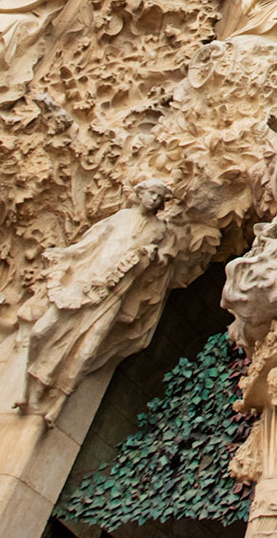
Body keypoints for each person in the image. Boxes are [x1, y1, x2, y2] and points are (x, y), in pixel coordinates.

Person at [18, 181, 177, 426]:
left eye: (159, 197)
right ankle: (29, 389)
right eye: (151, 194)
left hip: (112, 296)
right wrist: (64, 255)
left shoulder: (158, 230)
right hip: (82, 284)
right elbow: (90, 243)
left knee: (86, 351)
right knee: (42, 331)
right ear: (141, 194)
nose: (154, 200)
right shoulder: (121, 217)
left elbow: (147, 266)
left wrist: (146, 258)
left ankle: (58, 400)